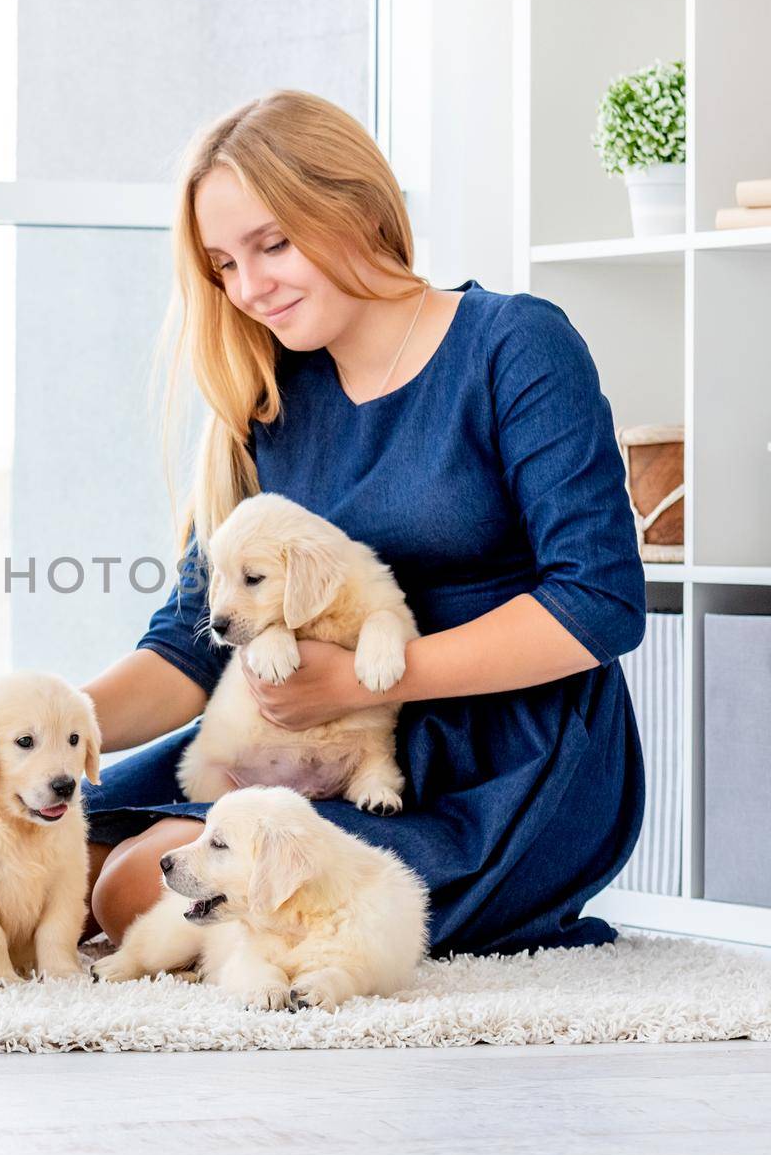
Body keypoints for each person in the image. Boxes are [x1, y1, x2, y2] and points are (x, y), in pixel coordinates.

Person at [81, 90, 647, 958]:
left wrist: (358, 683)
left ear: (359, 208)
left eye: (272, 243)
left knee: (136, 890)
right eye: (224, 264)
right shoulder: (271, 394)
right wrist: (56, 722)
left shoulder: (514, 345)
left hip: (495, 758)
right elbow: (192, 648)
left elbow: (598, 601)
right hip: (288, 742)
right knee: (54, 858)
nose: (251, 287)